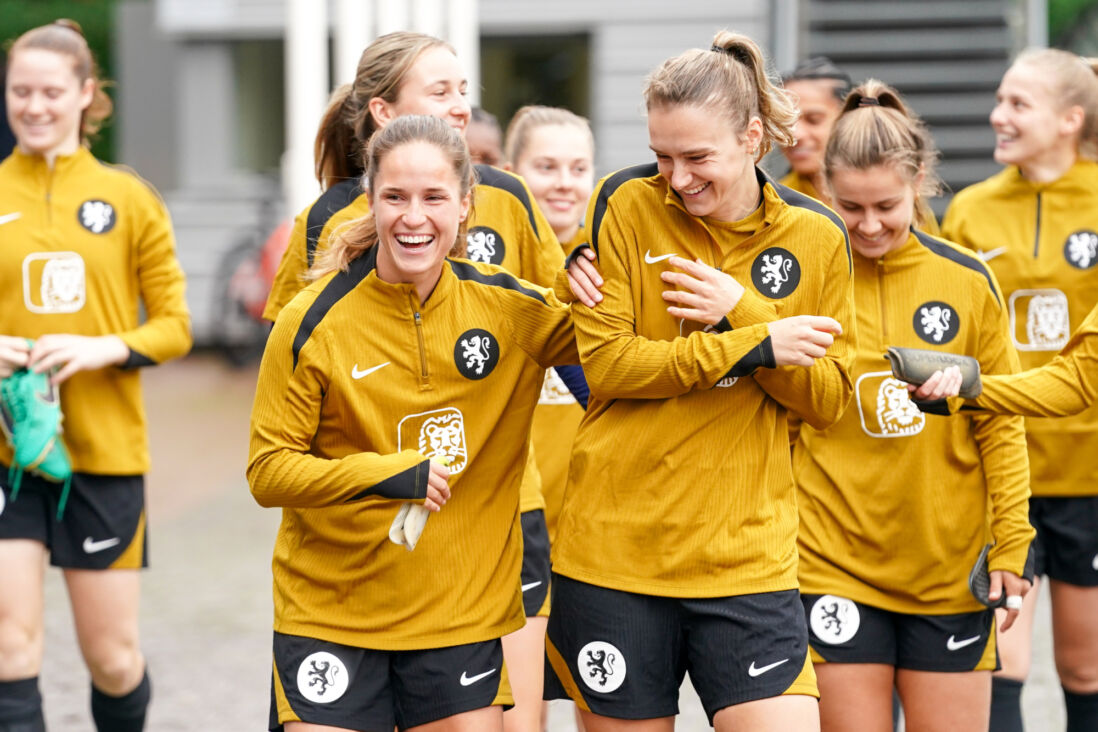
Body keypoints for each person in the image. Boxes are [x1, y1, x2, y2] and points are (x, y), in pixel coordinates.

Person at [545, 30, 857, 732]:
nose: (677, 178)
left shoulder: (817, 234)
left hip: (746, 563)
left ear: (752, 138)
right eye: (662, 156)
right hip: (614, 558)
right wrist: (754, 344)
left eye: (697, 158)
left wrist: (740, 308)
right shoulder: (623, 202)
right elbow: (611, 368)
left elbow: (829, 401)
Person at [261, 32, 566, 731]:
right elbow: (283, 417)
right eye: (440, 91)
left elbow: (580, 344)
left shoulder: (508, 203)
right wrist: (380, 469)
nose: (459, 106)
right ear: (381, 112)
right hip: (348, 561)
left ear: (463, 204)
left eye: (464, 90)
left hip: (489, 519)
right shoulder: (324, 235)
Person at [792, 79, 1034, 732]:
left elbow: (1002, 424)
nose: (870, 225)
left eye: (887, 206)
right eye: (851, 207)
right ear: (824, 189)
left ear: (920, 181)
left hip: (947, 569)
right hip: (831, 563)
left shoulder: (966, 279)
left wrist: (1012, 545)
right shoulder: (804, 280)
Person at [0, 19, 191, 732]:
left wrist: (102, 348)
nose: (34, 106)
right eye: (20, 91)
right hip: (8, 454)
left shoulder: (129, 198)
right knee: (8, 645)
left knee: (111, 658)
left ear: (86, 93)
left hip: (104, 458)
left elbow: (175, 326)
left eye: (51, 92)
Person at [940, 48, 1098, 732]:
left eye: (1017, 104)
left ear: (1070, 119)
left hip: (1088, 474)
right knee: (1002, 663)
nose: (997, 116)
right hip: (1004, 467)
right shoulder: (970, 210)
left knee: (1085, 668)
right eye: (999, 100)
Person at [503, 104, 594, 542]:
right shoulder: (490, 277)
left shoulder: (613, 263)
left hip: (594, 532)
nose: (564, 182)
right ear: (509, 176)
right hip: (511, 528)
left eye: (579, 169)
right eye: (546, 167)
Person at [778, 56, 850, 204]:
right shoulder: (773, 202)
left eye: (813, 119)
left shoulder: (883, 188)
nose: (796, 134)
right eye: (786, 121)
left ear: (847, 118)